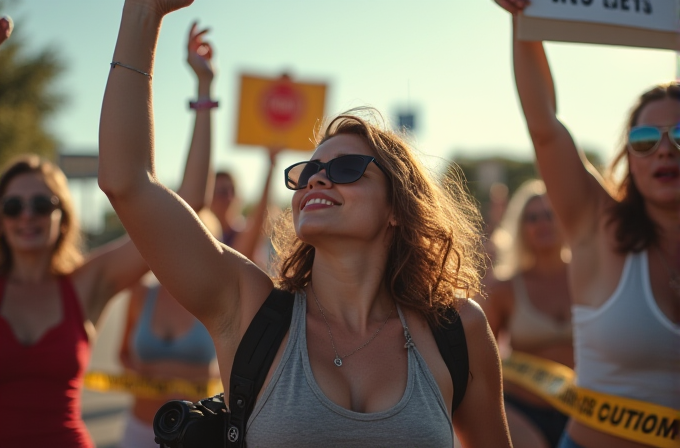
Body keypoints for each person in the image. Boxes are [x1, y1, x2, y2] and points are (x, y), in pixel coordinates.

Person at [98, 1, 512, 446]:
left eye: (346, 167)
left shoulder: (458, 329)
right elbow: (127, 182)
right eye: (307, 171)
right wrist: (142, 15)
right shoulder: (249, 308)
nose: (316, 176)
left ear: (398, 207)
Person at [495, 2, 680, 447]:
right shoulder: (599, 228)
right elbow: (545, 127)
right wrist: (525, 20)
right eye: (644, 139)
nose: (664, 149)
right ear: (628, 159)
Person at [116, 22, 221, 448]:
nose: (26, 218)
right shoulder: (140, 291)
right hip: (139, 433)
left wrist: (204, 89)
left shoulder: (218, 289)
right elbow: (123, 352)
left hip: (202, 436)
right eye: (10, 208)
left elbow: (192, 199)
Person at [0, 153, 149, 448]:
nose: (27, 215)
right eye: (13, 206)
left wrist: (204, 105)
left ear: (64, 217)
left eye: (42, 205)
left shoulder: (84, 285)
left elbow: (181, 211)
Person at [483, 179, 572, 448]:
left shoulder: (591, 280)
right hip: (521, 414)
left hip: (590, 413)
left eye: (550, 214)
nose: (542, 223)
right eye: (532, 218)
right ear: (521, 228)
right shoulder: (504, 289)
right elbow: (481, 358)